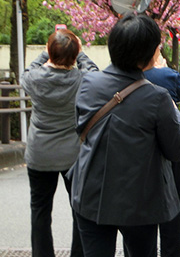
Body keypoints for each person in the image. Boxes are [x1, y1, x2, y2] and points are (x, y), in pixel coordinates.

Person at [68, 13, 180, 257]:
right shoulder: (158, 97)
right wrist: (175, 113)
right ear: (149, 53)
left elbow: (82, 128)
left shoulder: (89, 83)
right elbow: (177, 150)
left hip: (92, 195)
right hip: (140, 202)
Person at [21, 28, 99, 257]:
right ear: (75, 56)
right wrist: (80, 53)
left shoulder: (33, 79)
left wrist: (47, 53)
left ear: (49, 53)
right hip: (73, 155)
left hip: (40, 154)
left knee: (40, 210)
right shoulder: (82, 79)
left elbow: (28, 70)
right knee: (79, 210)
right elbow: (95, 72)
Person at [144, 54, 180, 257]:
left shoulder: (129, 76)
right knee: (173, 203)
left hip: (141, 149)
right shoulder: (166, 75)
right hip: (169, 142)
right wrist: (164, 68)